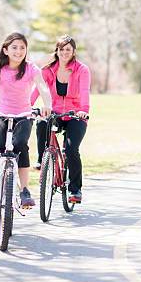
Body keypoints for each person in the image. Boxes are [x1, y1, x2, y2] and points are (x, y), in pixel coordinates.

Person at [0, 32, 52, 207]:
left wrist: (47, 105)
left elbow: (43, 88)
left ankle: (24, 190)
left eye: (22, 47)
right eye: (14, 47)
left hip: (24, 115)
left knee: (21, 146)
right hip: (1, 113)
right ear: (6, 50)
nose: (19, 51)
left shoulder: (31, 68)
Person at [31, 35, 90, 204]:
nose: (65, 52)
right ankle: (42, 159)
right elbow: (37, 91)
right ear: (56, 51)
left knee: (71, 150)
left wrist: (83, 111)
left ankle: (75, 189)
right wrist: (27, 107)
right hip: (54, 112)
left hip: (75, 115)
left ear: (73, 52)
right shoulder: (48, 70)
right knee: (42, 122)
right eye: (61, 49)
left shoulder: (82, 70)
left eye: (68, 49)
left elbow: (85, 92)